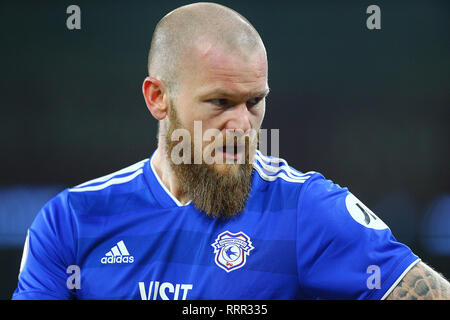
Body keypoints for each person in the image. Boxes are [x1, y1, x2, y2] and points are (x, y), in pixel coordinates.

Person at [12, 2, 450, 300]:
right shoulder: (71, 222)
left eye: (254, 102)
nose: (242, 124)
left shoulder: (305, 210)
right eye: (220, 102)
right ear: (157, 98)